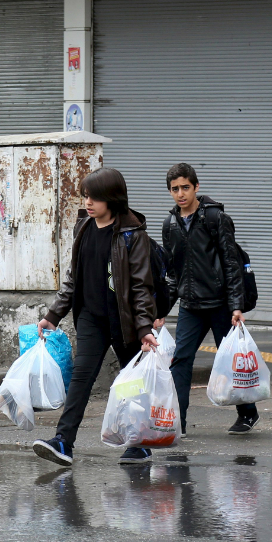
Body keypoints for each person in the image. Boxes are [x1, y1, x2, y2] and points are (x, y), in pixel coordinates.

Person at [32, 168, 159, 466]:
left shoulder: (133, 235)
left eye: (95, 197)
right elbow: (73, 278)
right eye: (86, 196)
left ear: (112, 198)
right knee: (81, 378)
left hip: (124, 320)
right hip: (90, 316)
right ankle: (63, 441)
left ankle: (139, 443)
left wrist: (143, 328)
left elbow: (141, 285)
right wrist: (54, 314)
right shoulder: (84, 228)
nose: (88, 202)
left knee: (132, 384)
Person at [155, 163, 259, 436]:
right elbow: (172, 274)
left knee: (234, 360)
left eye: (185, 187)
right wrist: (161, 309)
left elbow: (231, 263)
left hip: (220, 305)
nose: (180, 194)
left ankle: (248, 413)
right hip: (190, 306)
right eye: (175, 189)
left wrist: (236, 305)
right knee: (180, 361)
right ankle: (179, 423)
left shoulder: (215, 218)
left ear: (196, 187)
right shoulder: (170, 225)